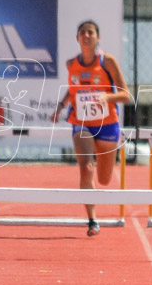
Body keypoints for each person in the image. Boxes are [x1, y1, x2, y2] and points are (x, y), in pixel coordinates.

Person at [52, 20, 130, 237]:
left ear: (98, 38)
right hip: (81, 122)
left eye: (90, 32)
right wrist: (60, 106)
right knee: (86, 167)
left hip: (107, 124)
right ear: (77, 38)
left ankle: (104, 155)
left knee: (104, 179)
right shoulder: (71, 64)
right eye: (82, 32)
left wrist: (107, 96)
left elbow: (125, 94)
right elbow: (73, 90)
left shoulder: (108, 62)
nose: (86, 35)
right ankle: (92, 220)